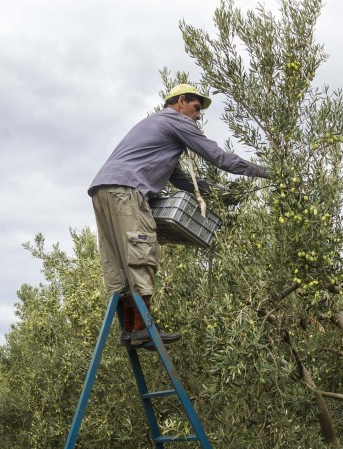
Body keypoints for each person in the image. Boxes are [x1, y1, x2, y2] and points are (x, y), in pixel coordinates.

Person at [88, 83, 270, 347]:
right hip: (127, 191)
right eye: (196, 108)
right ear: (181, 101)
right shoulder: (175, 121)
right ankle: (142, 329)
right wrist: (267, 173)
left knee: (119, 262)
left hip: (102, 190)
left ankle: (130, 329)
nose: (198, 116)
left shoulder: (156, 129)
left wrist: (220, 194)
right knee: (141, 255)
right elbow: (219, 157)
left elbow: (183, 181)